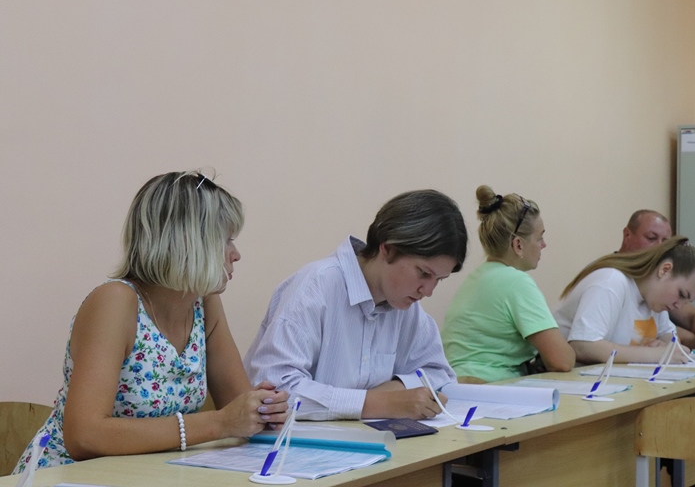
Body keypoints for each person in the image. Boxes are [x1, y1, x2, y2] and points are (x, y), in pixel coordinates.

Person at [15, 171, 289, 474]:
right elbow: (84, 437)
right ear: (188, 242)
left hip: (147, 475)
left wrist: (262, 411)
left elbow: (237, 410)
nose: (235, 255)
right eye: (226, 240)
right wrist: (219, 423)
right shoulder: (115, 302)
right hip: (68, 476)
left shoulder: (204, 303)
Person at [244, 189, 468, 421]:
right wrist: (378, 403)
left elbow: (440, 375)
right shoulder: (315, 287)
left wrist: (388, 394)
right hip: (287, 441)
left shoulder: (405, 305)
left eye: (439, 280)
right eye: (423, 273)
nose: (428, 291)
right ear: (388, 249)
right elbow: (273, 393)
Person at [442, 186, 575, 383]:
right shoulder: (516, 282)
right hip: (490, 386)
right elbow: (562, 361)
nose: (543, 245)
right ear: (518, 245)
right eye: (540, 237)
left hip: (459, 384)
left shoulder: (476, 278)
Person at [553, 236, 695, 365]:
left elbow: (674, 345)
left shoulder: (655, 301)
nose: (679, 305)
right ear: (665, 270)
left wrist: (667, 348)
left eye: (686, 302)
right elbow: (582, 346)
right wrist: (654, 354)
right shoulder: (611, 282)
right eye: (681, 294)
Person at [620, 209, 695, 354]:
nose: (659, 247)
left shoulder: (661, 283)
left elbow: (692, 317)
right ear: (627, 235)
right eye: (651, 238)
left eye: (665, 243)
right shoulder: (613, 279)